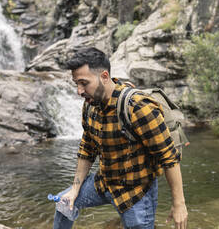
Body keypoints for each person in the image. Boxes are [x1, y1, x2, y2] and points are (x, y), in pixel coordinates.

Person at [53, 47, 188, 229]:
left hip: (136, 194)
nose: (79, 91)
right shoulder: (90, 105)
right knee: (64, 203)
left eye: (84, 83)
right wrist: (75, 190)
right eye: (76, 83)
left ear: (104, 76)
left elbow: (169, 158)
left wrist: (179, 204)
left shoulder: (138, 107)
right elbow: (86, 150)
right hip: (104, 183)